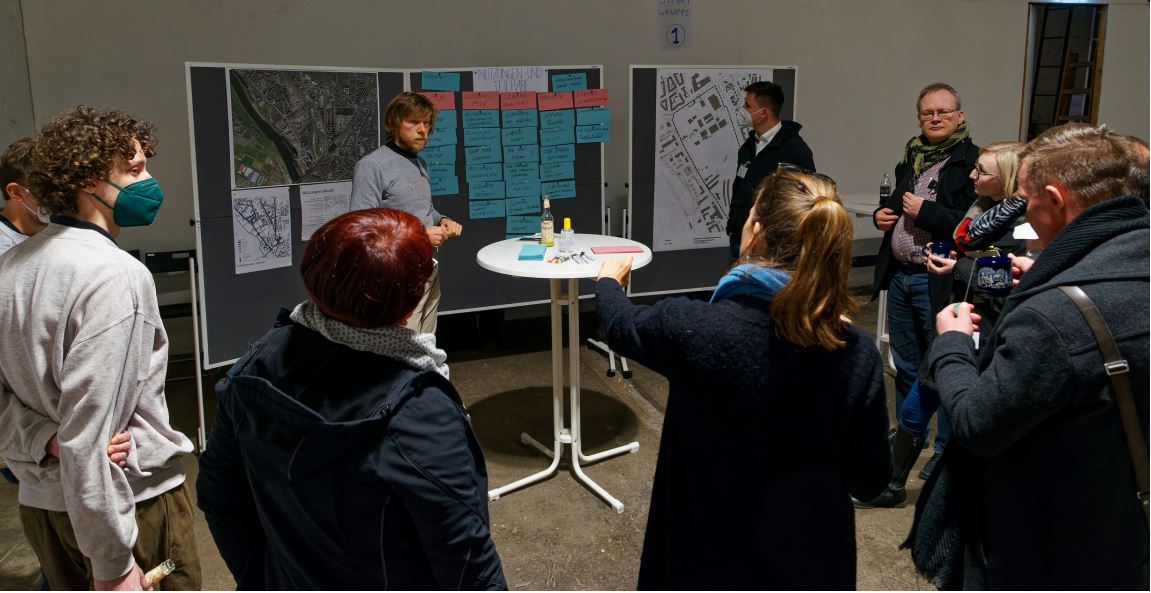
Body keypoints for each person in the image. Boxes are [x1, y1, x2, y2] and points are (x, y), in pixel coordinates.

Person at [596, 165, 891, 589]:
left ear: (755, 232)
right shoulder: (855, 352)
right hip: (810, 563)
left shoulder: (694, 328)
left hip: (706, 557)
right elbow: (869, 479)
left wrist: (608, 281)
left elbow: (621, 326)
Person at [197, 208, 506, 590]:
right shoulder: (422, 415)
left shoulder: (260, 361)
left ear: (314, 275)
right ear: (411, 304)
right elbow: (468, 566)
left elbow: (218, 494)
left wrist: (263, 578)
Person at [907, 124, 1149, 589]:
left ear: (1054, 200)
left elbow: (977, 424)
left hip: (1042, 546)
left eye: (1025, 200)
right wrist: (1043, 275)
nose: (1020, 211)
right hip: (1123, 532)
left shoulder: (1053, 318)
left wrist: (952, 343)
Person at [0, 106, 200, 590]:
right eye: (134, 170)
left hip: (44, 510)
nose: (149, 182)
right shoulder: (114, 275)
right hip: (126, 511)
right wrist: (114, 566)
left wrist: (43, 438)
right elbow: (93, 437)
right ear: (89, 180)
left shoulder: (12, 267)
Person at [866, 83, 979, 499]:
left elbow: (971, 226)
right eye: (928, 112)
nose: (935, 118)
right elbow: (897, 207)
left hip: (938, 277)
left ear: (959, 116)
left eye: (943, 112)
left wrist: (926, 211)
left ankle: (946, 447)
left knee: (943, 364)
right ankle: (909, 437)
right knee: (906, 362)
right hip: (901, 275)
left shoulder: (972, 164)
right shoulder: (911, 158)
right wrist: (882, 216)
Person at [350, 92, 463, 335]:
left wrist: (443, 220)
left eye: (427, 123)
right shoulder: (372, 166)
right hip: (396, 278)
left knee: (425, 346)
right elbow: (361, 230)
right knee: (401, 348)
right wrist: (420, 236)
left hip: (428, 269)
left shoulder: (420, 163)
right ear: (393, 124)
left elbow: (424, 209)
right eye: (413, 121)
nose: (423, 130)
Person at [725, 80, 815, 258]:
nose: (742, 110)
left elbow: (806, 199)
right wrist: (733, 226)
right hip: (740, 239)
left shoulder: (795, 149)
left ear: (764, 112)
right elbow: (739, 189)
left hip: (773, 246)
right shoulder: (748, 147)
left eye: (747, 106)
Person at [0, 138, 49, 257]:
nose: (58, 197)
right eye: (46, 190)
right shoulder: (4, 251)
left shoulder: (57, 228)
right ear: (16, 192)